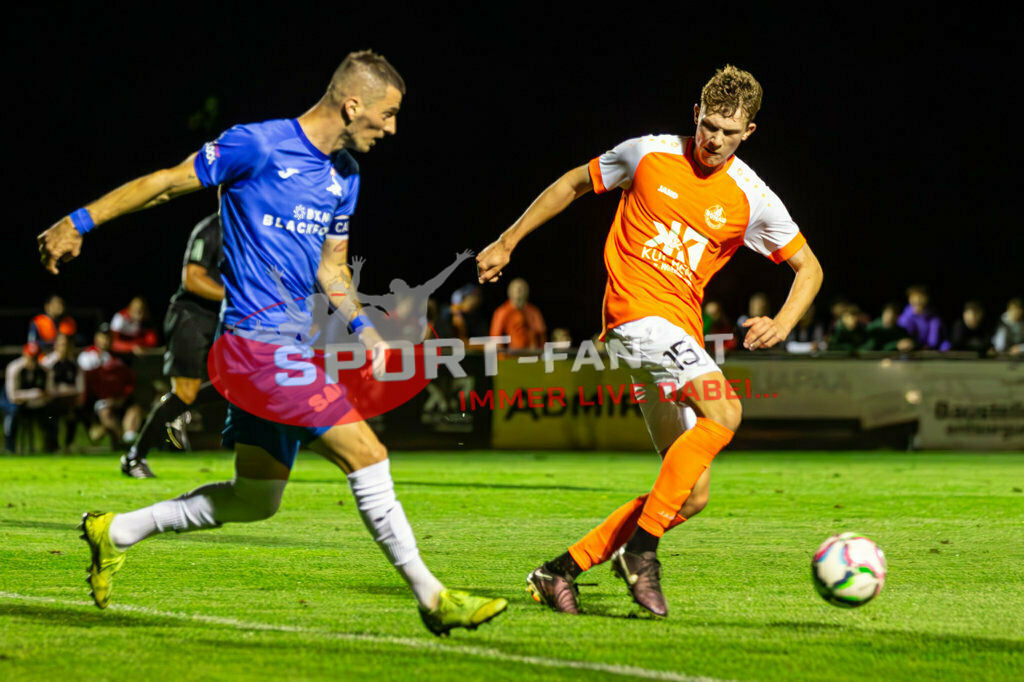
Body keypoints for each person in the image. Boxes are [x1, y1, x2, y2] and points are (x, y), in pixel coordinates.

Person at [38, 50, 505, 635]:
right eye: (387, 115)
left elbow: (332, 269)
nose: (392, 129)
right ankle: (433, 598)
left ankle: (119, 529)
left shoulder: (346, 176)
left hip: (292, 347)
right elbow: (163, 185)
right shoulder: (256, 146)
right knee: (369, 454)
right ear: (352, 104)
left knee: (256, 499)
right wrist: (77, 223)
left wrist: (364, 328)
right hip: (253, 349)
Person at [477, 65, 822, 617]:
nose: (715, 141)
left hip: (674, 335)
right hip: (635, 316)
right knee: (726, 410)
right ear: (695, 115)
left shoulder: (752, 198)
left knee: (691, 495)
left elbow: (809, 269)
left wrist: (782, 322)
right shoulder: (648, 154)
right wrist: (507, 240)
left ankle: (558, 571)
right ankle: (641, 553)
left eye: (729, 133)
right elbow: (571, 183)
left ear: (749, 133)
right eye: (709, 126)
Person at [120, 213, 225, 479]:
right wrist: (236, 296)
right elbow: (192, 278)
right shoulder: (211, 228)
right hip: (193, 315)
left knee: (240, 382)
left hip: (226, 318)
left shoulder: (257, 228)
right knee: (186, 392)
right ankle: (134, 457)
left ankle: (177, 409)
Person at [78, 325, 142, 448]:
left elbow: (129, 381)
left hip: (118, 399)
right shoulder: (87, 357)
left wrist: (121, 398)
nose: (106, 341)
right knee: (105, 413)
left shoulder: (119, 358)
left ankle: (129, 438)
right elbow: (88, 385)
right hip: (96, 401)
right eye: (103, 337)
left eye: (109, 337)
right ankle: (121, 442)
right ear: (96, 338)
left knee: (135, 410)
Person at [42, 333, 85, 451]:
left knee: (74, 415)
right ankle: (53, 445)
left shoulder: (73, 363)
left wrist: (79, 396)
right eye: (61, 344)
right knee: (50, 416)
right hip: (53, 398)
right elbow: (45, 383)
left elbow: (80, 384)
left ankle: (68, 444)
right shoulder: (48, 362)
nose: (64, 347)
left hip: (70, 398)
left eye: (66, 344)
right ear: (56, 345)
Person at [4, 343, 50, 452]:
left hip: (33, 402)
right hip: (10, 400)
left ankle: (51, 447)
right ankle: (10, 448)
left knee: (50, 414)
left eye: (35, 357)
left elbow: (47, 394)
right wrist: (35, 393)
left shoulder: (43, 369)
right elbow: (12, 396)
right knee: (13, 413)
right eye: (31, 357)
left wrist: (33, 397)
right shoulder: (15, 368)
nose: (33, 361)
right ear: (25, 354)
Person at [489, 277, 546, 351]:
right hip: (511, 356)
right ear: (510, 292)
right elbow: (495, 338)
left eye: (522, 289)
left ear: (527, 291)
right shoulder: (501, 312)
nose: (518, 292)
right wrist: (502, 357)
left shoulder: (534, 311)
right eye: (516, 289)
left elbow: (541, 335)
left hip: (532, 355)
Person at [898, 285, 949, 351]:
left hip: (930, 351)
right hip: (911, 350)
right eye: (914, 297)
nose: (918, 300)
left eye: (921, 297)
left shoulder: (934, 318)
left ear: (927, 298)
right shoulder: (906, 315)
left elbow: (936, 340)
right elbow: (901, 333)